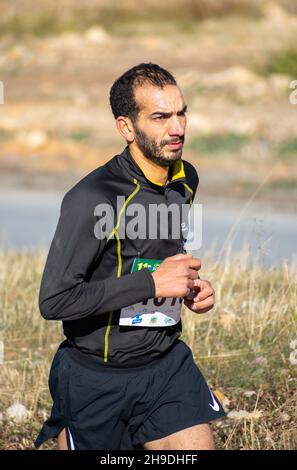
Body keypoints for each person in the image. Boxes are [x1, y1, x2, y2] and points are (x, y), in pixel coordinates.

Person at [34, 63, 225, 451]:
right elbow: (54, 300)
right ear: (126, 127)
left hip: (165, 363)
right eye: (160, 117)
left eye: (181, 112)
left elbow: (160, 256)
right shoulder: (92, 198)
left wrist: (188, 289)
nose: (178, 129)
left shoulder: (185, 178)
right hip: (96, 373)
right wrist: (152, 284)